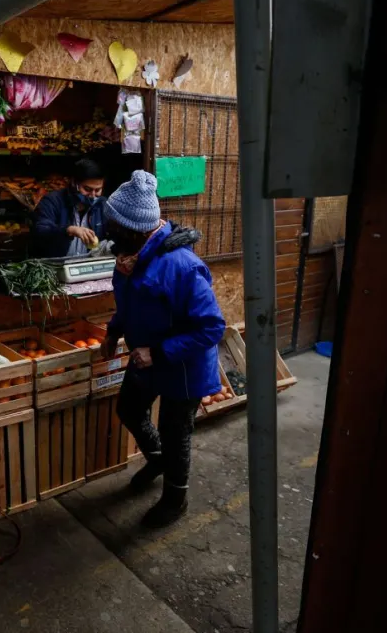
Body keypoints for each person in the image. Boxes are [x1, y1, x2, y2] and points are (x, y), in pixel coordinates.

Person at [101, 170, 225, 528]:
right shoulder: (130, 257)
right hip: (146, 355)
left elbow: (212, 327)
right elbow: (128, 305)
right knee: (129, 407)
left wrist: (158, 352)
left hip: (181, 363)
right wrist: (113, 333)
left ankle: (175, 499)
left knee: (176, 433)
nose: (109, 232)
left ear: (137, 229)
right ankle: (157, 459)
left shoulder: (182, 267)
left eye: (114, 226)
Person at [32, 158, 108, 258]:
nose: (93, 195)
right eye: (87, 189)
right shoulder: (52, 201)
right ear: (74, 183)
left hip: (89, 266)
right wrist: (68, 230)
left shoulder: (102, 205)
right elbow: (41, 231)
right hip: (55, 266)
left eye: (98, 190)